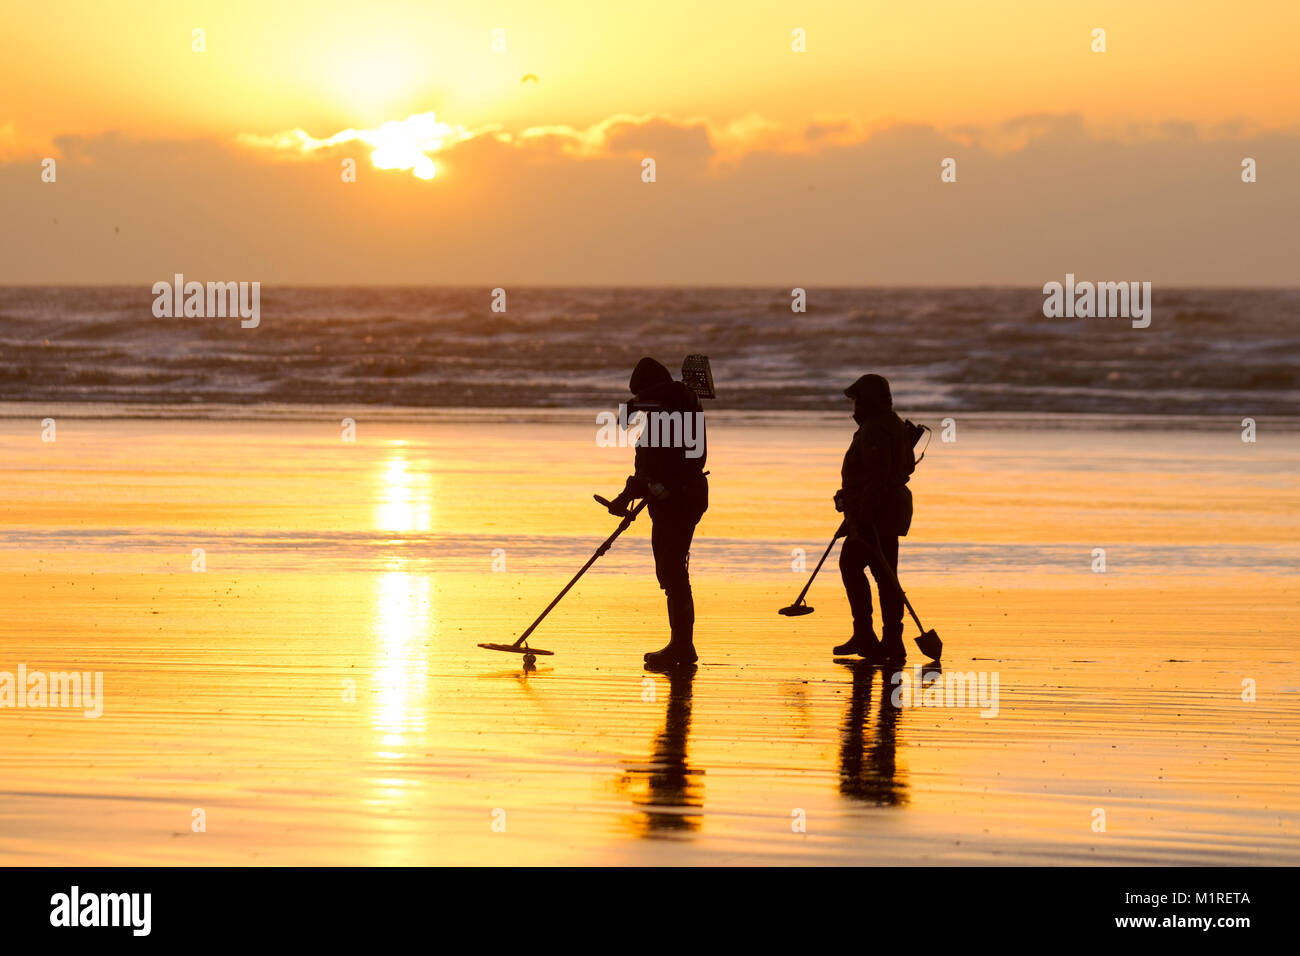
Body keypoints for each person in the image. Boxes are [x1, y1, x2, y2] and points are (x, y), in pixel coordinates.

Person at [605, 357, 708, 669]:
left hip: (680, 500)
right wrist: (626, 496)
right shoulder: (670, 413)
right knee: (670, 572)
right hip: (671, 499)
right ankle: (680, 644)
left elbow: (657, 468)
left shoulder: (677, 407)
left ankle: (682, 646)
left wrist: (634, 403)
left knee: (673, 572)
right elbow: (649, 469)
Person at [834, 373, 916, 664]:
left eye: (857, 401)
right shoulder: (890, 424)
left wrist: (860, 511)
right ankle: (888, 640)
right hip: (886, 509)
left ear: (867, 401)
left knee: (855, 566)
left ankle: (872, 637)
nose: (854, 407)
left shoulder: (876, 429)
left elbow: (878, 477)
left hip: (876, 511)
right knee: (884, 574)